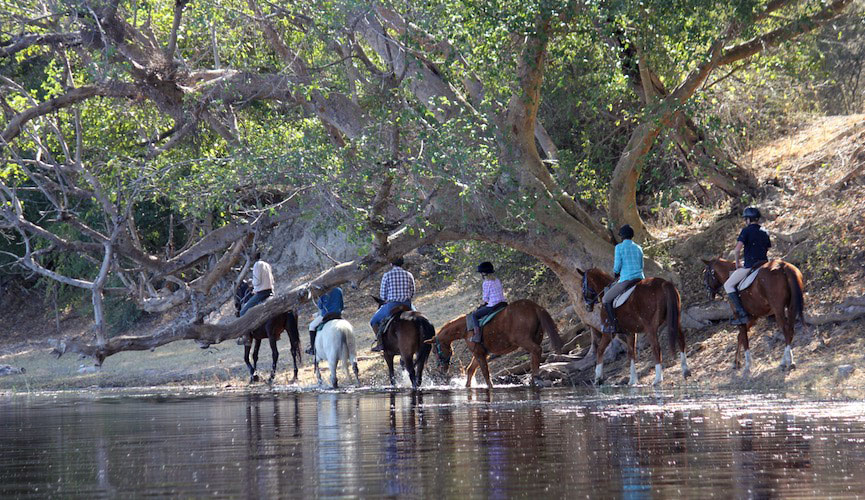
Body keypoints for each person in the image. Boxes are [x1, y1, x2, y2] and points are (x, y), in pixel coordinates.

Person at [724, 207, 771, 325]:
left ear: (749, 220)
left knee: (728, 285)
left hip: (751, 265)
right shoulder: (765, 231)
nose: (746, 221)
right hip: (765, 264)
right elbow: (768, 247)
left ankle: (742, 314)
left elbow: (737, 249)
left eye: (746, 219)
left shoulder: (746, 231)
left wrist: (737, 264)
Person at [602, 224, 644, 334]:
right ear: (631, 236)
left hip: (627, 280)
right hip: (640, 279)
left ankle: (614, 325)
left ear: (622, 237)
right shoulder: (638, 248)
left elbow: (617, 265)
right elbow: (641, 265)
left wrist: (616, 273)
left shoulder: (619, 247)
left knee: (606, 299)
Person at [370, 257, 415, 352]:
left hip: (392, 305)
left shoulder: (387, 275)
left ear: (391, 263)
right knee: (419, 320)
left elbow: (382, 295)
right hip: (407, 305)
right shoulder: (409, 274)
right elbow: (412, 292)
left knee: (373, 321)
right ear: (402, 263)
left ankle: (381, 343)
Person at [469, 262, 506, 343]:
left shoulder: (486, 283)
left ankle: (477, 335)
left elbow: (485, 299)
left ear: (483, 273)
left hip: (493, 305)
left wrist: (481, 304)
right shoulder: (497, 280)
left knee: (474, 315)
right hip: (502, 303)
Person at [306, 286, 344, 356]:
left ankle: (313, 348)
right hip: (338, 314)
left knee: (311, 326)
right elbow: (342, 306)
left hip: (326, 315)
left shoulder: (323, 292)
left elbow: (320, 306)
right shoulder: (339, 290)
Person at [238, 252, 274, 317]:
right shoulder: (267, 264)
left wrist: (252, 282)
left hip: (261, 293)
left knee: (242, 313)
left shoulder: (256, 265)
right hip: (270, 290)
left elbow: (257, 282)